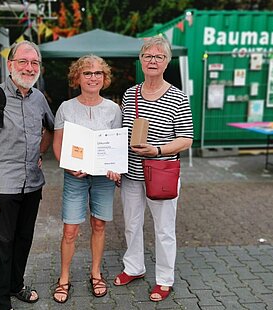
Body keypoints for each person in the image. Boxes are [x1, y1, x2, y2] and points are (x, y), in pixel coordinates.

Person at [0, 40, 54, 310]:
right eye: (24, 62)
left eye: (34, 63)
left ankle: (16, 285)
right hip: (2, 186)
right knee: (2, 244)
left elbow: (51, 128)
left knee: (24, 240)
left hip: (32, 184)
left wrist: (41, 151)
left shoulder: (39, 98)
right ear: (10, 64)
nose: (29, 67)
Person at [114, 36, 194, 302]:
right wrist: (115, 163)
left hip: (161, 174)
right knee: (132, 225)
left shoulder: (178, 97)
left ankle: (164, 279)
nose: (153, 60)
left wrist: (157, 150)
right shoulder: (130, 93)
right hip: (132, 174)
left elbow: (186, 138)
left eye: (159, 56)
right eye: (148, 56)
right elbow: (123, 133)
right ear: (140, 59)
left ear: (167, 62)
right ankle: (134, 267)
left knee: (164, 230)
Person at [52, 55, 122, 303]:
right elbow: (58, 145)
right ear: (77, 77)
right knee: (70, 229)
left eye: (98, 73)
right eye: (87, 73)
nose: (93, 77)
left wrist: (115, 168)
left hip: (103, 178)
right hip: (75, 177)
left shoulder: (114, 109)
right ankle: (64, 278)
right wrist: (69, 167)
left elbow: (116, 148)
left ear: (104, 78)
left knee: (99, 225)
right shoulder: (66, 108)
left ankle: (95, 273)